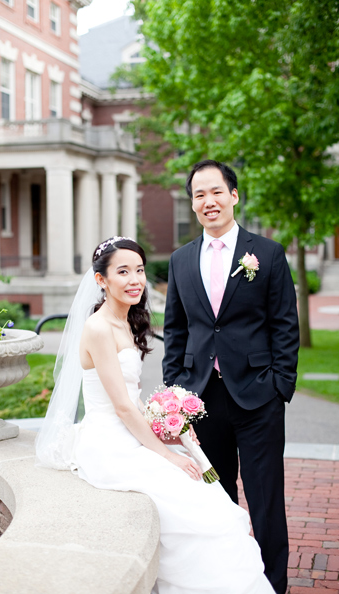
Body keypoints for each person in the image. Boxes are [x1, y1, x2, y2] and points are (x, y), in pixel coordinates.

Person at [35, 236, 274, 593]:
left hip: (130, 432)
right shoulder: (99, 328)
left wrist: (171, 426)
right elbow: (120, 407)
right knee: (197, 500)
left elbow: (132, 401)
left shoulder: (126, 321)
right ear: (101, 280)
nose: (135, 279)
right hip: (108, 443)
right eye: (123, 271)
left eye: (140, 270)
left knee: (210, 496)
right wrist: (166, 454)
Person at [163, 160, 298, 594]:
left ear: (234, 195)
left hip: (259, 397)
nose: (208, 201)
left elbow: (284, 325)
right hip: (202, 400)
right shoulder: (181, 260)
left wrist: (280, 386)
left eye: (216, 192)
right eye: (199, 194)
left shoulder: (268, 254)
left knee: (265, 501)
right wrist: (176, 395)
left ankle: (274, 584)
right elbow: (176, 330)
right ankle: (225, 582)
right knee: (215, 502)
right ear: (192, 203)